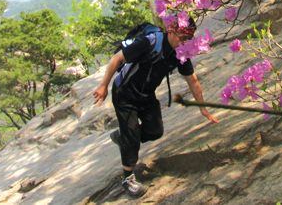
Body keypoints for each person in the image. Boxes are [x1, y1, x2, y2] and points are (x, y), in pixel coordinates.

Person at [92, 17, 219, 197]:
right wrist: (104, 85)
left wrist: (202, 107)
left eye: (187, 39)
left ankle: (124, 137)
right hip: (125, 94)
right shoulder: (149, 42)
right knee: (133, 136)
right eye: (181, 37)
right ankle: (127, 179)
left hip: (147, 96)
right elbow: (117, 58)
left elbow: (192, 79)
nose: (183, 42)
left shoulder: (181, 53)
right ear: (170, 30)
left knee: (155, 131)